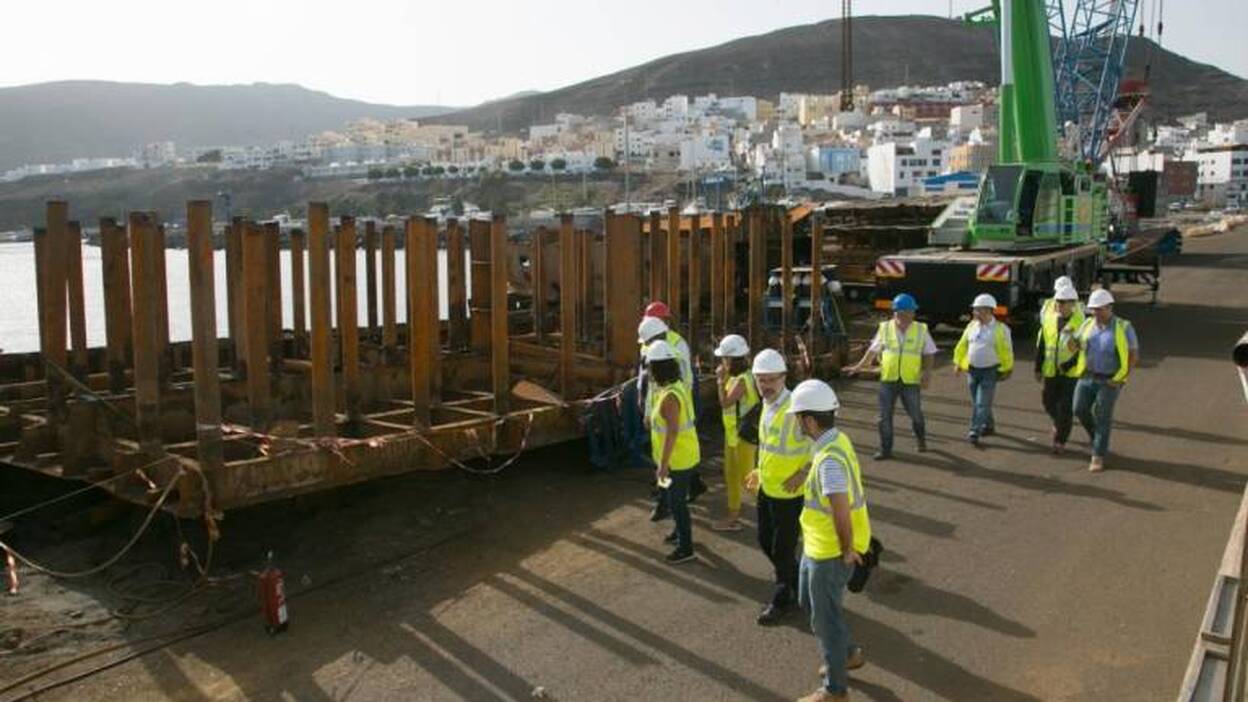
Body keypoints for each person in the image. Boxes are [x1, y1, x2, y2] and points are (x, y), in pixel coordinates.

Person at [789, 379, 870, 702]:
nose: (796, 423)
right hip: (816, 546)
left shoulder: (830, 461)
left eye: (798, 418)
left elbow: (840, 508)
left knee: (826, 619)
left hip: (831, 552)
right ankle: (848, 653)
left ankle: (835, 690)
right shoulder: (833, 441)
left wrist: (847, 549)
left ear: (810, 421)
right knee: (812, 606)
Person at [744, 348, 811, 625]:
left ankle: (784, 597)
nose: (765, 385)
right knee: (764, 540)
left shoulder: (797, 408)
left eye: (770, 380)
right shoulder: (768, 406)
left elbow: (821, 444)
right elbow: (770, 446)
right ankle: (796, 581)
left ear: (784, 377)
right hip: (768, 488)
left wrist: (804, 473)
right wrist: (760, 470)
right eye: (760, 380)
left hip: (791, 494)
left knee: (782, 548)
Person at [847, 293, 937, 460]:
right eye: (907, 312)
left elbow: (930, 353)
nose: (910, 316)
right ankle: (885, 449)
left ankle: (920, 438)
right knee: (884, 417)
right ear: (897, 313)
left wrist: (927, 374)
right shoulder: (885, 328)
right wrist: (860, 366)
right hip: (888, 380)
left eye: (912, 312)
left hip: (910, 381)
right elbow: (873, 350)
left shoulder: (920, 329)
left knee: (916, 414)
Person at [638, 315, 706, 520]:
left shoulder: (677, 346)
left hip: (674, 407)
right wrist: (649, 411)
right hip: (663, 407)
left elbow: (685, 381)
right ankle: (669, 497)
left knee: (673, 462)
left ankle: (667, 500)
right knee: (667, 462)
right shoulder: (650, 350)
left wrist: (678, 409)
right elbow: (649, 384)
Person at [1070, 289, 1139, 472]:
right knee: (1079, 409)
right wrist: (1070, 338)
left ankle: (1098, 455)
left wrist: (1122, 378)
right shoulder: (1087, 325)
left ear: (1109, 307)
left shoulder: (1124, 327)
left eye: (1099, 309)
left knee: (1103, 417)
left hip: (1110, 380)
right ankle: (1097, 438)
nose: (1095, 313)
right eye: (1093, 309)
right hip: (1087, 376)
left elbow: (1133, 355)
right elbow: (1075, 345)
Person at [646, 340, 702, 564]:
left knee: (677, 503)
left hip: (677, 460)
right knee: (672, 497)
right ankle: (680, 532)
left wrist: (663, 464)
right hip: (681, 455)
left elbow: (671, 433)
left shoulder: (669, 396)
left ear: (657, 368)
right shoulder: (675, 386)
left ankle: (686, 547)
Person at [952, 294, 1014, 446]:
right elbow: (962, 345)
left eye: (977, 310)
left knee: (981, 403)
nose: (974, 313)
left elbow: (1007, 350)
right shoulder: (971, 326)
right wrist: (958, 362)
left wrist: (1007, 369)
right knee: (979, 402)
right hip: (972, 371)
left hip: (990, 371)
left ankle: (975, 430)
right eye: (975, 310)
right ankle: (989, 425)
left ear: (988, 311)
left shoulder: (1001, 329)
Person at [712, 334, 758, 532]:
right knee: (731, 476)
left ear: (731, 359)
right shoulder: (738, 377)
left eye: (724, 358)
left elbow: (725, 403)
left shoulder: (741, 380)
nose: (722, 361)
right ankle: (732, 517)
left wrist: (719, 381)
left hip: (743, 438)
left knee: (747, 480)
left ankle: (777, 508)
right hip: (733, 436)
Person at [1034, 282, 1084, 453]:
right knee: (1047, 402)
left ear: (1073, 304)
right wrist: (1038, 367)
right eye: (1057, 302)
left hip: (1070, 373)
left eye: (1063, 302)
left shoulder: (1081, 323)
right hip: (1051, 371)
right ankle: (1059, 423)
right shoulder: (1049, 320)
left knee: (1065, 407)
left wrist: (1068, 365)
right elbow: (1042, 344)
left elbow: (1084, 350)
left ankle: (1060, 440)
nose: (1059, 306)